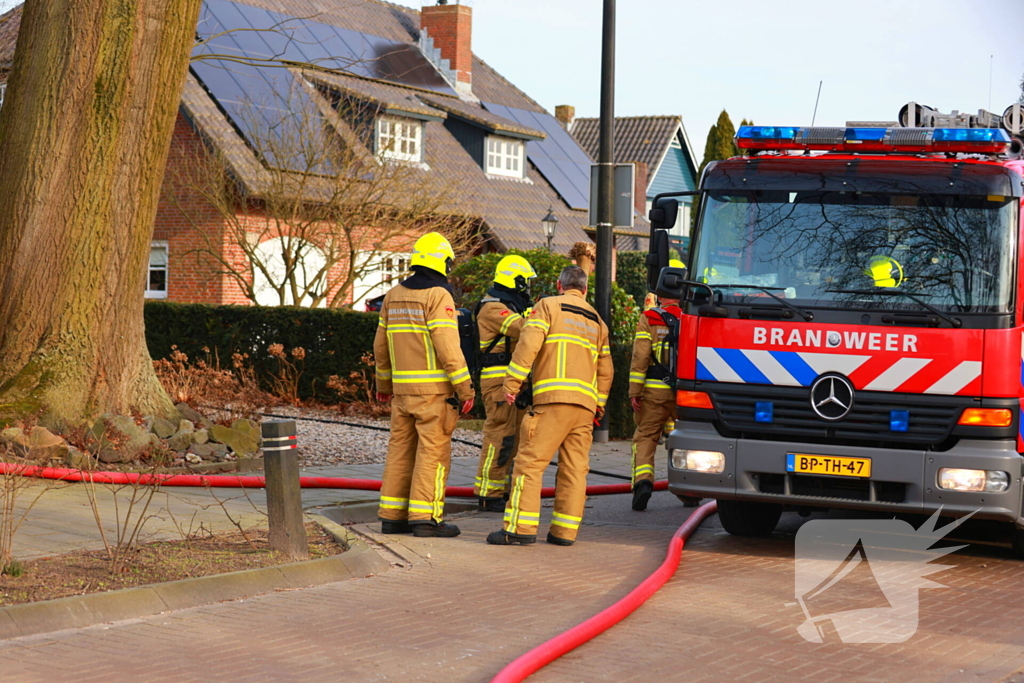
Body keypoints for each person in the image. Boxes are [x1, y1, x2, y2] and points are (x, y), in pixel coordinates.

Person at [487, 266, 613, 547]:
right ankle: (564, 533)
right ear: (584, 290)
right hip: (584, 408)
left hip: (551, 401)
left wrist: (512, 384)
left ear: (559, 284)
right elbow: (606, 370)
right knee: (574, 469)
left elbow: (528, 344)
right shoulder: (597, 321)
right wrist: (599, 406)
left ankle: (519, 529)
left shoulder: (547, 306)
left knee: (529, 464)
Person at [373, 232, 474, 538]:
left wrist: (384, 384)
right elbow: (447, 347)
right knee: (432, 453)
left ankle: (391, 517)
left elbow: (380, 345)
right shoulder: (438, 296)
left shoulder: (392, 295)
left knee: (400, 452)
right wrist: (465, 388)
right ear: (442, 262)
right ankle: (426, 518)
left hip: (402, 394)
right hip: (434, 395)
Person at [473, 255, 537, 512]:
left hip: (512, 377)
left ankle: (504, 489)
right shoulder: (492, 307)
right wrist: (539, 312)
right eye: (526, 282)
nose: (528, 288)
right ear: (515, 280)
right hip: (497, 379)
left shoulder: (510, 304)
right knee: (500, 436)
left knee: (515, 438)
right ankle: (488, 493)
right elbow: (523, 328)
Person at [627, 260, 684, 511]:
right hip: (685, 393)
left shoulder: (649, 318)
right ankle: (689, 491)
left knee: (645, 437)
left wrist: (634, 392)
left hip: (653, 391)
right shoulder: (692, 318)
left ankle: (643, 483)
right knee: (684, 440)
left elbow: (640, 358)